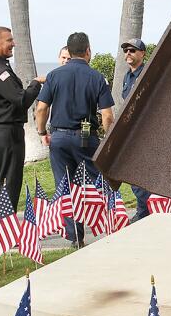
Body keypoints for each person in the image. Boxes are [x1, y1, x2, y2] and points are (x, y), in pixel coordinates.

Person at [34, 31, 115, 246]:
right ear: (88, 51)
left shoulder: (54, 75)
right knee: (97, 183)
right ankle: (109, 224)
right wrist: (109, 139)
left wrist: (43, 133)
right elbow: (107, 115)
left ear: (69, 52)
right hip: (86, 134)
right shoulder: (97, 77)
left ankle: (75, 237)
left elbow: (41, 108)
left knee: (65, 187)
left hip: (59, 136)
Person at [0, 25, 44, 211]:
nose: (13, 44)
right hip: (6, 132)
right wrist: (35, 84)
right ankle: (5, 228)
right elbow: (21, 99)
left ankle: (0, 226)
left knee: (1, 180)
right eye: (9, 40)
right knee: (10, 181)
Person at [119, 38, 152, 220]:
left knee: (139, 172)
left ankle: (144, 212)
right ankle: (143, 210)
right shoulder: (127, 76)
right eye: (126, 51)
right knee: (132, 173)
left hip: (144, 131)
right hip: (131, 133)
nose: (128, 53)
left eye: (132, 50)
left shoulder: (146, 73)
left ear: (142, 53)